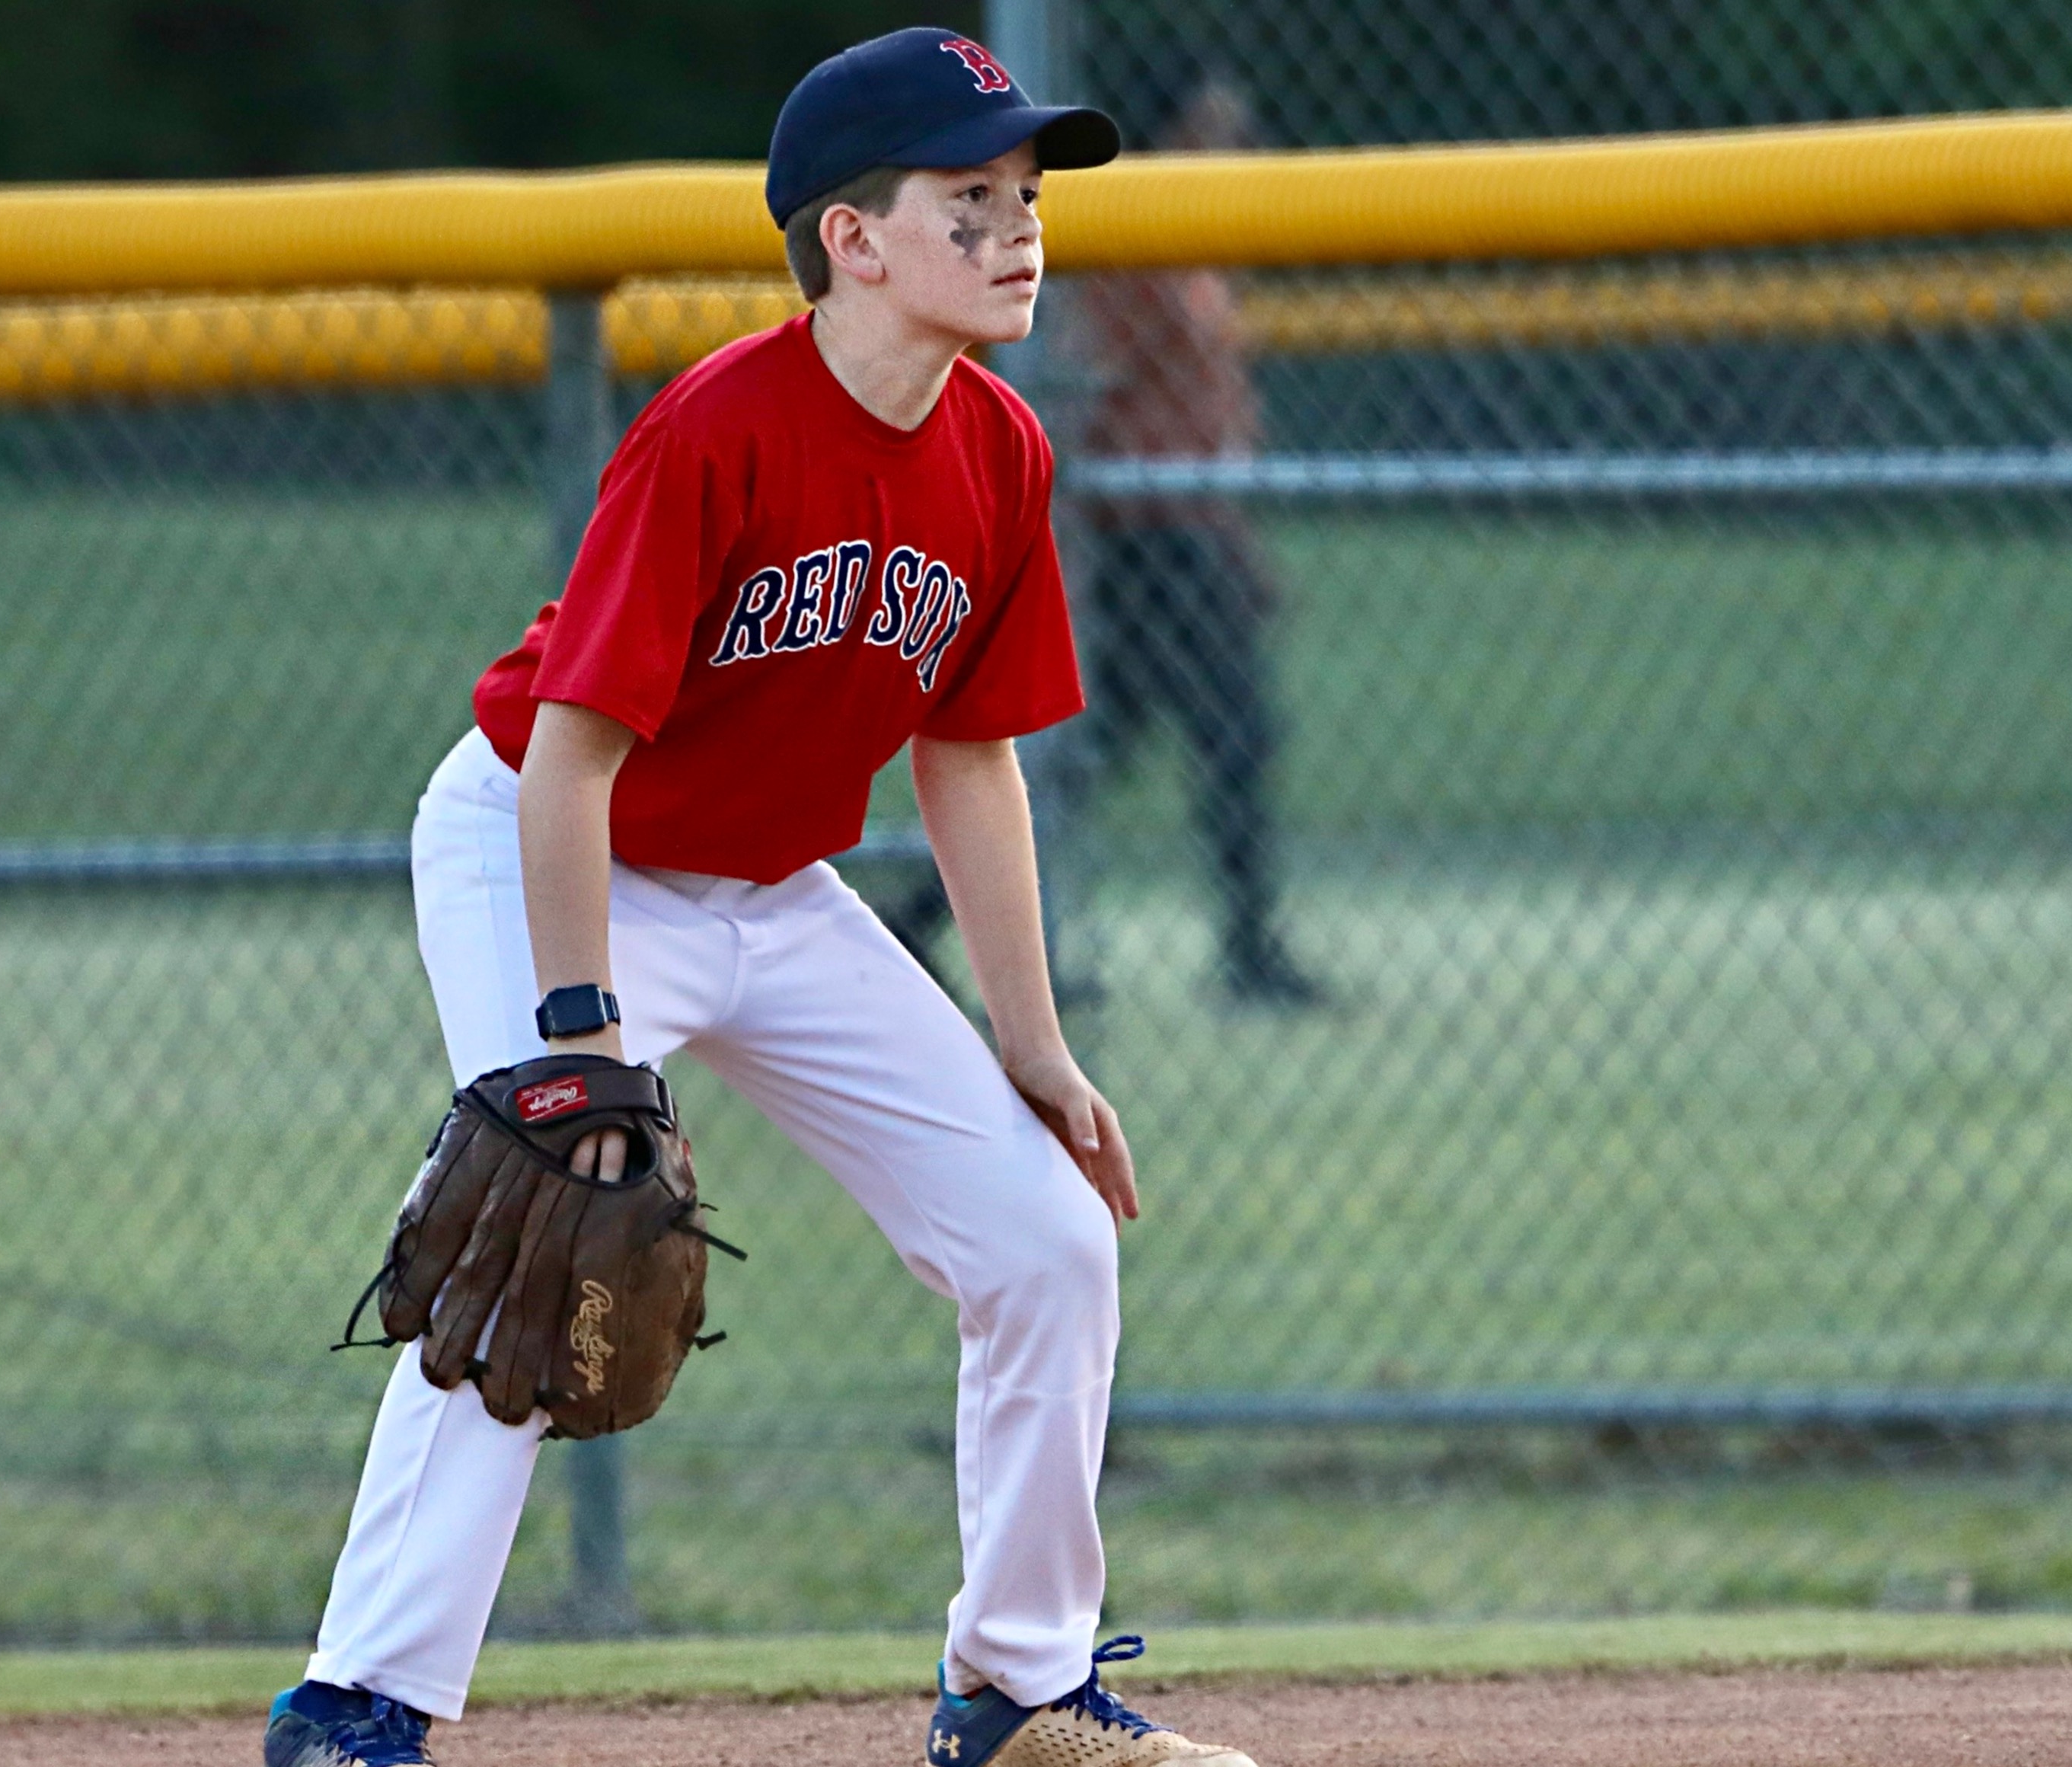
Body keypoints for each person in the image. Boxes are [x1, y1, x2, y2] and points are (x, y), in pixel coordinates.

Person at [260, 30, 1256, 1767]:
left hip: (773, 892)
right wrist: (577, 1046)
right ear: (850, 239)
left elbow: (970, 759)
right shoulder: (718, 429)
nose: (1019, 230)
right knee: (537, 1222)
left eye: (1026, 196)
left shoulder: (1003, 452)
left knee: (1047, 1238)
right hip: (547, 845)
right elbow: (570, 761)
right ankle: (358, 1708)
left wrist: (1031, 1044)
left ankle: (1018, 1691)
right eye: (969, 198)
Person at [883, 78, 1322, 1008]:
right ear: (1170, 138)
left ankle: (914, 921)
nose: (1236, 155)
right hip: (1148, 535)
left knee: (1094, 751)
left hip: (1193, 525)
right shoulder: (1138, 244)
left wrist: (1238, 540)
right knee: (1229, 729)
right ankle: (1248, 952)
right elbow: (1085, 392)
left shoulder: (1199, 248)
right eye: (1216, 134)